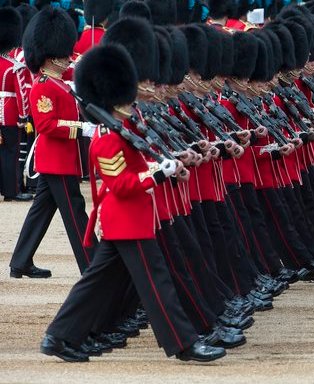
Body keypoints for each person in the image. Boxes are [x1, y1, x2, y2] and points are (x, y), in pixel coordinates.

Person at [41, 43, 226, 364]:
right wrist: (158, 173)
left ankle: (59, 336)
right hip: (127, 220)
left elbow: (142, 165)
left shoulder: (123, 130)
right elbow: (123, 185)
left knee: (98, 283)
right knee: (158, 283)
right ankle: (184, 343)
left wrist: (169, 166)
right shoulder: (108, 138)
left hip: (131, 219)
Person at [9, 6, 96, 279]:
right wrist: (82, 128)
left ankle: (20, 262)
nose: (68, 57)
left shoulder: (59, 81)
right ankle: (92, 266)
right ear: (49, 57)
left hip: (59, 160)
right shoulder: (44, 85)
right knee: (76, 214)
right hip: (56, 161)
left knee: (41, 212)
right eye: (63, 54)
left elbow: (78, 71)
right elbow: (46, 126)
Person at [0, 7, 32, 202]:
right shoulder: (14, 66)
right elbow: (21, 94)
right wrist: (23, 116)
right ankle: (12, 190)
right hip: (10, 113)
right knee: (10, 153)